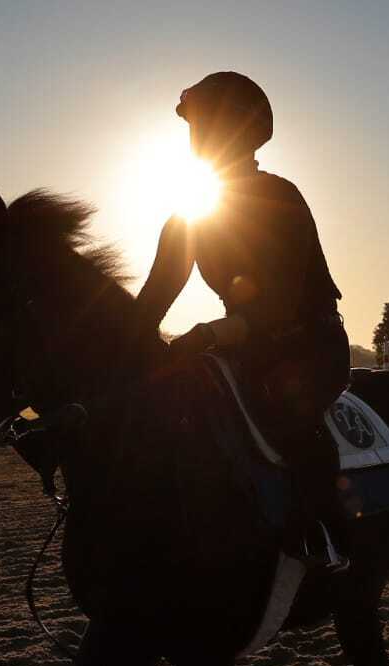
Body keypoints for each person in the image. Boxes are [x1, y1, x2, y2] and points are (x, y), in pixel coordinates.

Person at [135, 71, 352, 571]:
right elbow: (150, 304)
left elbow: (277, 307)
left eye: (207, 126)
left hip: (308, 345)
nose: (197, 138)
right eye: (195, 128)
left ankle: (324, 530)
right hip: (240, 347)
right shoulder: (185, 217)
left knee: (288, 404)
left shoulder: (280, 197)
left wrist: (208, 334)